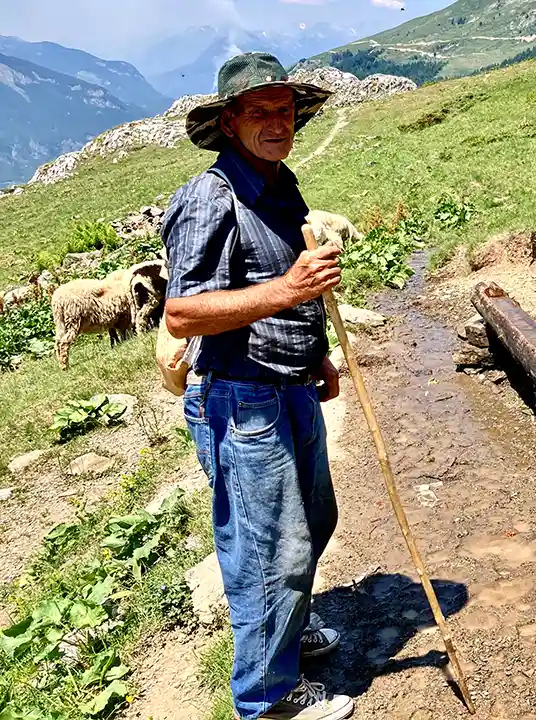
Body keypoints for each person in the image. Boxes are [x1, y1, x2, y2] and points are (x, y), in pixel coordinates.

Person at [162, 52, 354, 720]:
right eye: (259, 111)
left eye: (284, 110)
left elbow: (298, 284)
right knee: (270, 550)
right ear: (230, 122)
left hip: (290, 386)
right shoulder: (210, 199)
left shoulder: (281, 183)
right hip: (243, 400)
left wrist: (318, 356)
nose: (277, 122)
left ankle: (291, 631)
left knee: (314, 521)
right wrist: (287, 289)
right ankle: (267, 701)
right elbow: (182, 313)